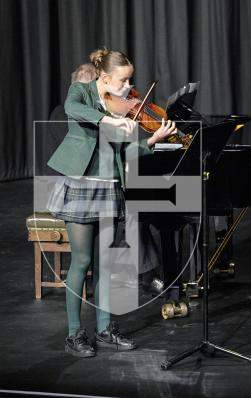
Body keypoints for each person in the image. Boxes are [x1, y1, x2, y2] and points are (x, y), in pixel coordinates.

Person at [46, 47, 177, 358]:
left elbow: (126, 152)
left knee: (106, 263)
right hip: (80, 185)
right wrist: (109, 119)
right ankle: (74, 333)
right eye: (123, 81)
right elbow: (72, 108)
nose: (128, 88)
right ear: (104, 77)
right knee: (82, 262)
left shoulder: (121, 106)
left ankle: (104, 329)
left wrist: (152, 141)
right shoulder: (82, 92)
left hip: (109, 187)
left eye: (130, 81)